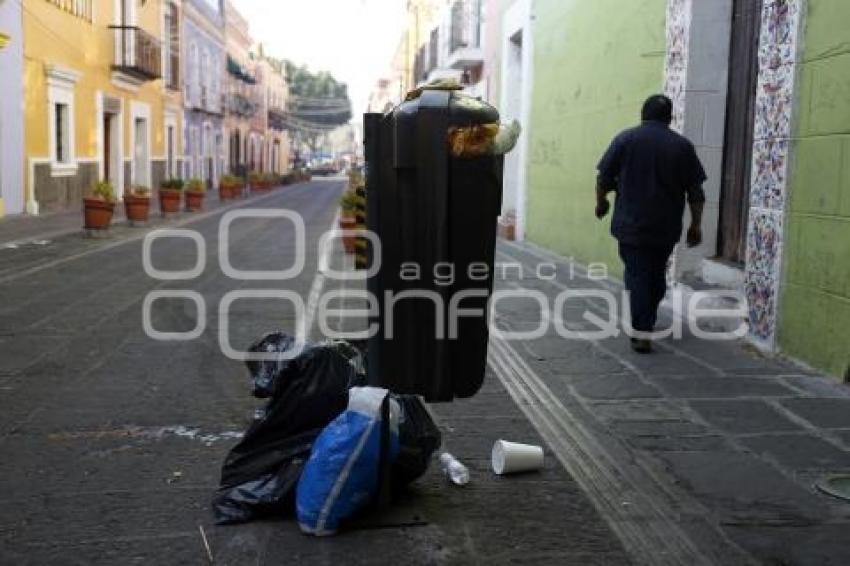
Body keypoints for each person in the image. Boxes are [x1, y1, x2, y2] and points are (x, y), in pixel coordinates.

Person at [595, 94, 706, 353]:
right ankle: (646, 322)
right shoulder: (682, 146)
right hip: (665, 228)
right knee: (655, 274)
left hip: (630, 225)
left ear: (642, 115)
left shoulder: (625, 139)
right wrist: (696, 224)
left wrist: (601, 204)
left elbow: (603, 177)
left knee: (637, 275)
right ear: (670, 118)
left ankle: (642, 330)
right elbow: (696, 191)